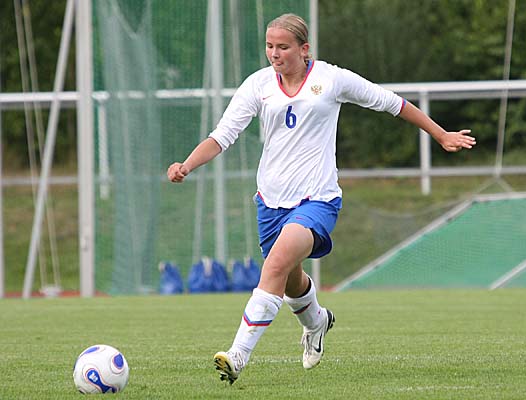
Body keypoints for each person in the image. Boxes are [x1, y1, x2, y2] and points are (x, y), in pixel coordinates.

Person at [167, 13, 476, 385]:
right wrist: (187, 165)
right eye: (269, 46)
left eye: (283, 47)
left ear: (304, 48)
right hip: (271, 202)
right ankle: (316, 322)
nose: (274, 54)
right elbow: (222, 136)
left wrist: (441, 134)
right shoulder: (259, 85)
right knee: (289, 278)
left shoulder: (331, 79)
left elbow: (391, 102)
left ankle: (237, 356)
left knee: (275, 265)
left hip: (318, 199)